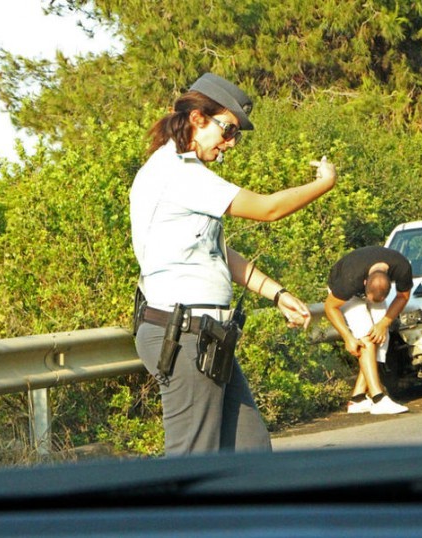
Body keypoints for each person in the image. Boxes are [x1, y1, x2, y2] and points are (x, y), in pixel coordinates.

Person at [130, 72, 337, 455]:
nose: (230, 144)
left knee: (250, 449)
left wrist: (276, 293)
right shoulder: (176, 173)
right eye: (227, 130)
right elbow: (268, 208)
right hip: (186, 334)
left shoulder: (187, 174)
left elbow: (219, 255)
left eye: (236, 135)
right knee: (193, 459)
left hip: (205, 334)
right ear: (197, 118)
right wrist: (325, 183)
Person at [324, 246, 413, 415]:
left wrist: (383, 324)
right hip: (343, 292)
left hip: (373, 285)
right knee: (365, 335)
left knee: (380, 337)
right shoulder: (349, 280)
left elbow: (403, 296)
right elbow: (330, 307)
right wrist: (347, 337)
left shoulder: (402, 267)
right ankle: (378, 397)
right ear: (364, 283)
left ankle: (357, 398)